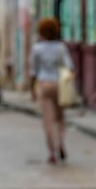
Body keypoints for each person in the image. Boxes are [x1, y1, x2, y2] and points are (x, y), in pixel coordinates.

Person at [31, 17, 72, 164]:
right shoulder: (61, 47)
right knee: (60, 118)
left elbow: (34, 71)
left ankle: (52, 152)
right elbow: (69, 66)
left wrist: (32, 90)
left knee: (48, 120)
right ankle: (60, 142)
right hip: (59, 84)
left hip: (45, 84)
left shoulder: (37, 48)